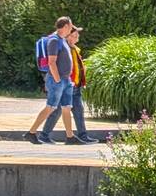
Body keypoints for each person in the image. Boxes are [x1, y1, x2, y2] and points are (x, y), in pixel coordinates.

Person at [41, 27, 100, 145]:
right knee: (56, 111)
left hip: (75, 86)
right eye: (74, 35)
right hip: (66, 86)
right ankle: (44, 135)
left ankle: (83, 135)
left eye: (77, 36)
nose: (77, 38)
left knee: (78, 110)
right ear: (67, 36)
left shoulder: (75, 49)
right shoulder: (64, 49)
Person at [25, 17, 75, 145]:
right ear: (64, 26)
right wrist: (58, 80)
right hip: (57, 80)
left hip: (66, 80)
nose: (71, 28)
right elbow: (51, 62)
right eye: (70, 26)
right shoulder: (54, 40)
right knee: (51, 107)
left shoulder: (62, 40)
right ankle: (31, 133)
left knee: (66, 108)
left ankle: (70, 137)